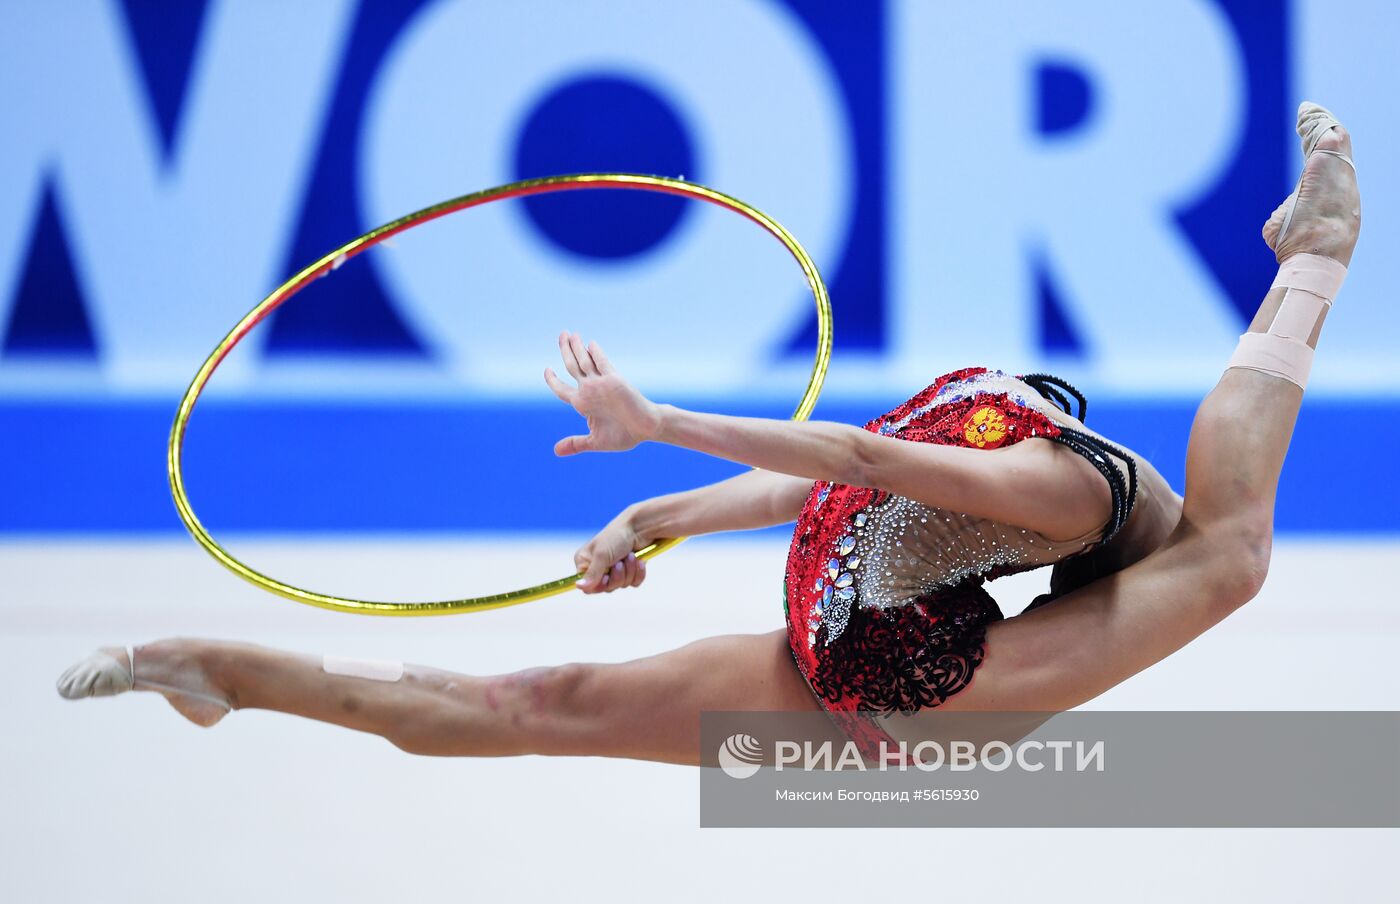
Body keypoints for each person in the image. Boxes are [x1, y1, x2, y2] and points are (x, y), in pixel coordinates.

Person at [58, 103, 1359, 767]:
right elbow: (839, 491)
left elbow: (849, 466)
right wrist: (650, 513)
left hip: (909, 685)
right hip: (851, 642)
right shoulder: (999, 435)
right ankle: (220, 669)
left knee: (1233, 550)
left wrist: (658, 428)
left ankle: (1320, 254)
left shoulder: (1031, 483)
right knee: (540, 709)